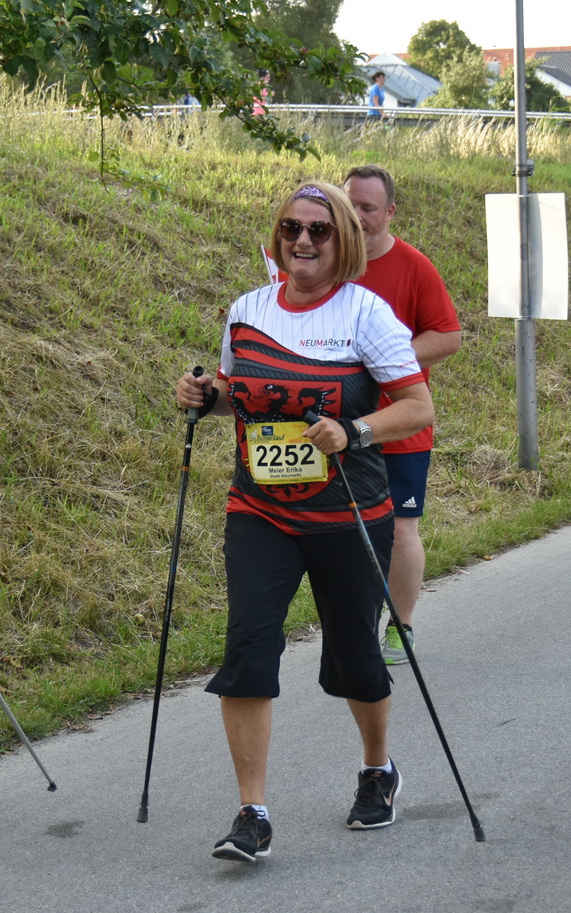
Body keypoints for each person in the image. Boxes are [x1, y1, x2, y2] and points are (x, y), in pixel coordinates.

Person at [175, 180, 433, 863]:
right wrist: (206, 395)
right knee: (249, 646)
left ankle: (377, 766)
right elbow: (243, 397)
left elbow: (416, 406)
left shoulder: (366, 313)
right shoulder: (247, 310)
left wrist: (355, 429)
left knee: (355, 654)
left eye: (318, 230)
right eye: (291, 227)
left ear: (342, 238)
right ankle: (251, 812)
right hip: (260, 508)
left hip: (349, 511)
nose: (303, 241)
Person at [341, 164, 462, 666]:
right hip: (336, 431)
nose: (357, 216)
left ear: (390, 212)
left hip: (401, 427)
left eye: (367, 208)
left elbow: (448, 336)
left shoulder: (414, 266)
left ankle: (402, 625)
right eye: (349, 205)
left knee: (402, 527)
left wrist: (386, 362)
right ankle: (355, 621)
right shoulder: (323, 262)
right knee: (347, 532)